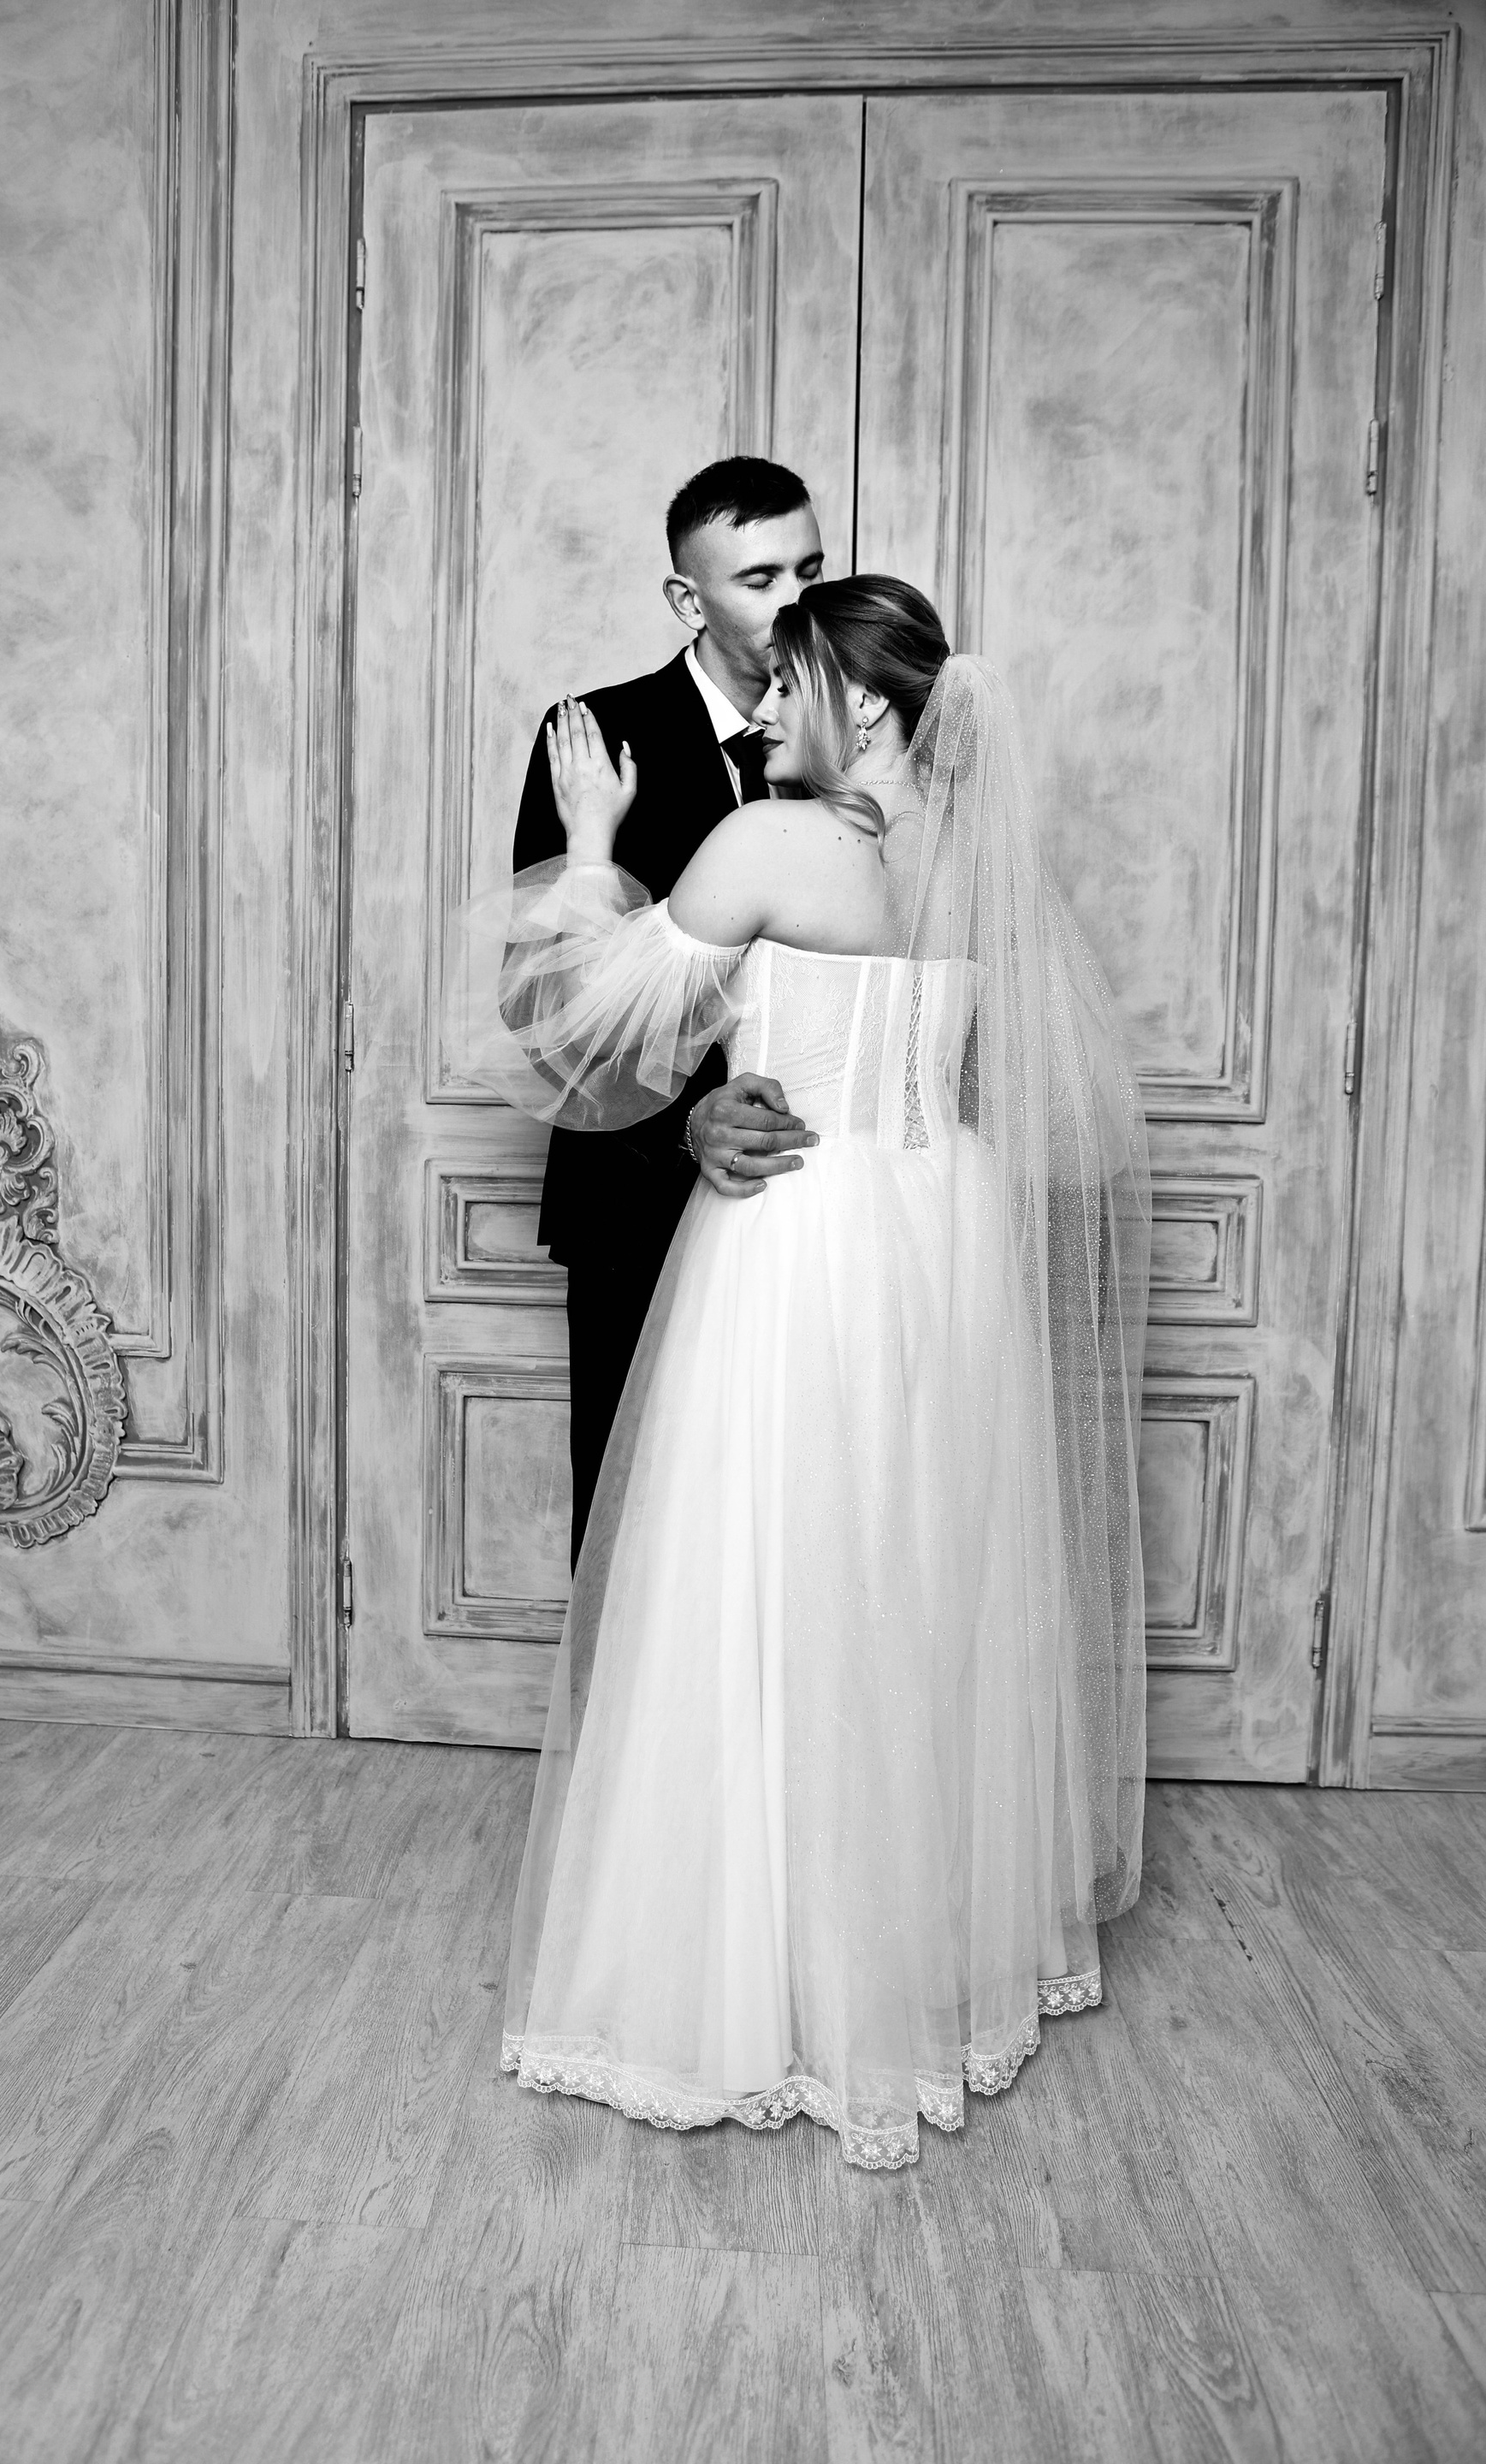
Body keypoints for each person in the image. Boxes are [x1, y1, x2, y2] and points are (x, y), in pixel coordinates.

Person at [451, 577, 1149, 2171]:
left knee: (766, 1573)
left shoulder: (772, 844)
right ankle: (911, 1958)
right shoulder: (977, 858)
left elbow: (585, 1029)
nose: (763, 707)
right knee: (913, 1576)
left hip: (807, 1231)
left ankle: (759, 1974)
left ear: (869, 704)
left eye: (792, 684)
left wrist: (590, 844)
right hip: (946, 1229)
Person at [512, 455, 826, 1567]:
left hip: (814, 1196)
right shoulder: (598, 737)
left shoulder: (856, 730)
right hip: (637, 1204)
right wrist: (689, 1128)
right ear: (688, 600)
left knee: (796, 1526)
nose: (796, 601)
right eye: (760, 579)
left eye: (810, 569)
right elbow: (552, 1013)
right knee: (639, 1534)